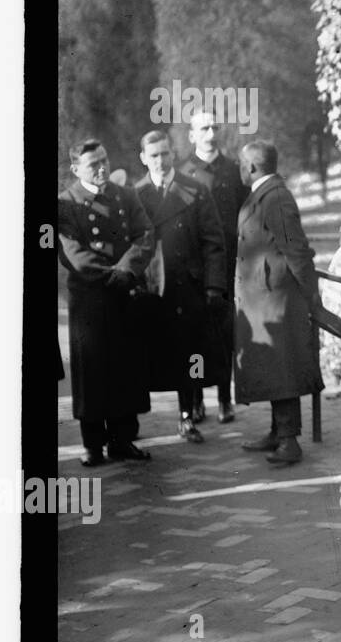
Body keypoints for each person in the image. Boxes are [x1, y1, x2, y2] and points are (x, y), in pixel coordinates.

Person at [57, 138, 155, 466]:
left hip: (124, 294)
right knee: (92, 372)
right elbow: (73, 253)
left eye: (104, 160)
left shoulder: (126, 195)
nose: (102, 168)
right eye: (92, 164)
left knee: (125, 368)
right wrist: (110, 275)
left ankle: (122, 440)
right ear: (75, 169)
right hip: (90, 300)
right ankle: (93, 446)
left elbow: (145, 235)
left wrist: (126, 270)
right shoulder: (66, 203)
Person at [233, 141, 323, 466]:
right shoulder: (266, 194)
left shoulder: (276, 197)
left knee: (281, 368)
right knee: (273, 366)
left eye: (241, 164)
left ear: (252, 167)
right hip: (265, 298)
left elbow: (295, 249)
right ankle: (277, 431)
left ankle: (289, 440)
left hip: (278, 299)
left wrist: (311, 295)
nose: (239, 169)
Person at [135, 130, 227, 444]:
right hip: (154, 288)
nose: (160, 161)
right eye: (154, 155)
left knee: (191, 353)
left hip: (189, 286)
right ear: (143, 158)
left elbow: (214, 243)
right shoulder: (136, 195)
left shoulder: (196, 190)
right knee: (158, 353)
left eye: (165, 154)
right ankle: (139, 420)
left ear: (174, 154)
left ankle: (188, 413)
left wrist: (214, 286)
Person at [179, 110, 249, 424]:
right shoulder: (183, 172)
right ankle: (195, 401)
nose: (211, 133)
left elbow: (246, 215)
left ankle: (224, 399)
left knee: (223, 335)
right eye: (203, 128)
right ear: (192, 135)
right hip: (194, 269)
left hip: (228, 265)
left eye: (214, 127)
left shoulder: (233, 170)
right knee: (193, 337)